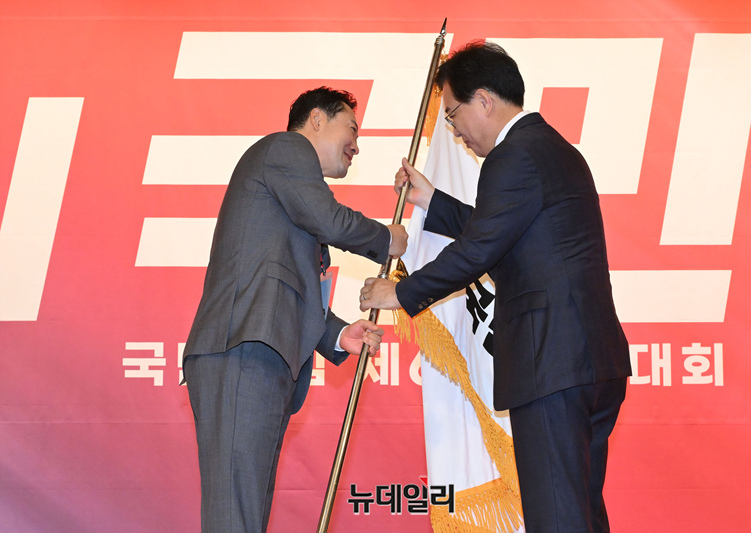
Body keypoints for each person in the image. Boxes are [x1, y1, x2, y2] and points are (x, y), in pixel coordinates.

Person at [360, 43, 631, 532]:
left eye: (452, 114)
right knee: (581, 513)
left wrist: (399, 293)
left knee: (556, 519)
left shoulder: (512, 156)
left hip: (551, 365)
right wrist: (433, 201)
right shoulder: (553, 148)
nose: (454, 130)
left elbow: (479, 250)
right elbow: (505, 230)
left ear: (483, 100)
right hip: (591, 363)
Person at [183, 86, 408, 533]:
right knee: (235, 517)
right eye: (352, 128)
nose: (356, 145)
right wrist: (388, 239)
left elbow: (288, 284)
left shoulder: (290, 187)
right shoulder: (286, 149)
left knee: (245, 516)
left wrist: (336, 334)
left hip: (261, 355)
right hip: (244, 350)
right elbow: (329, 219)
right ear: (317, 119)